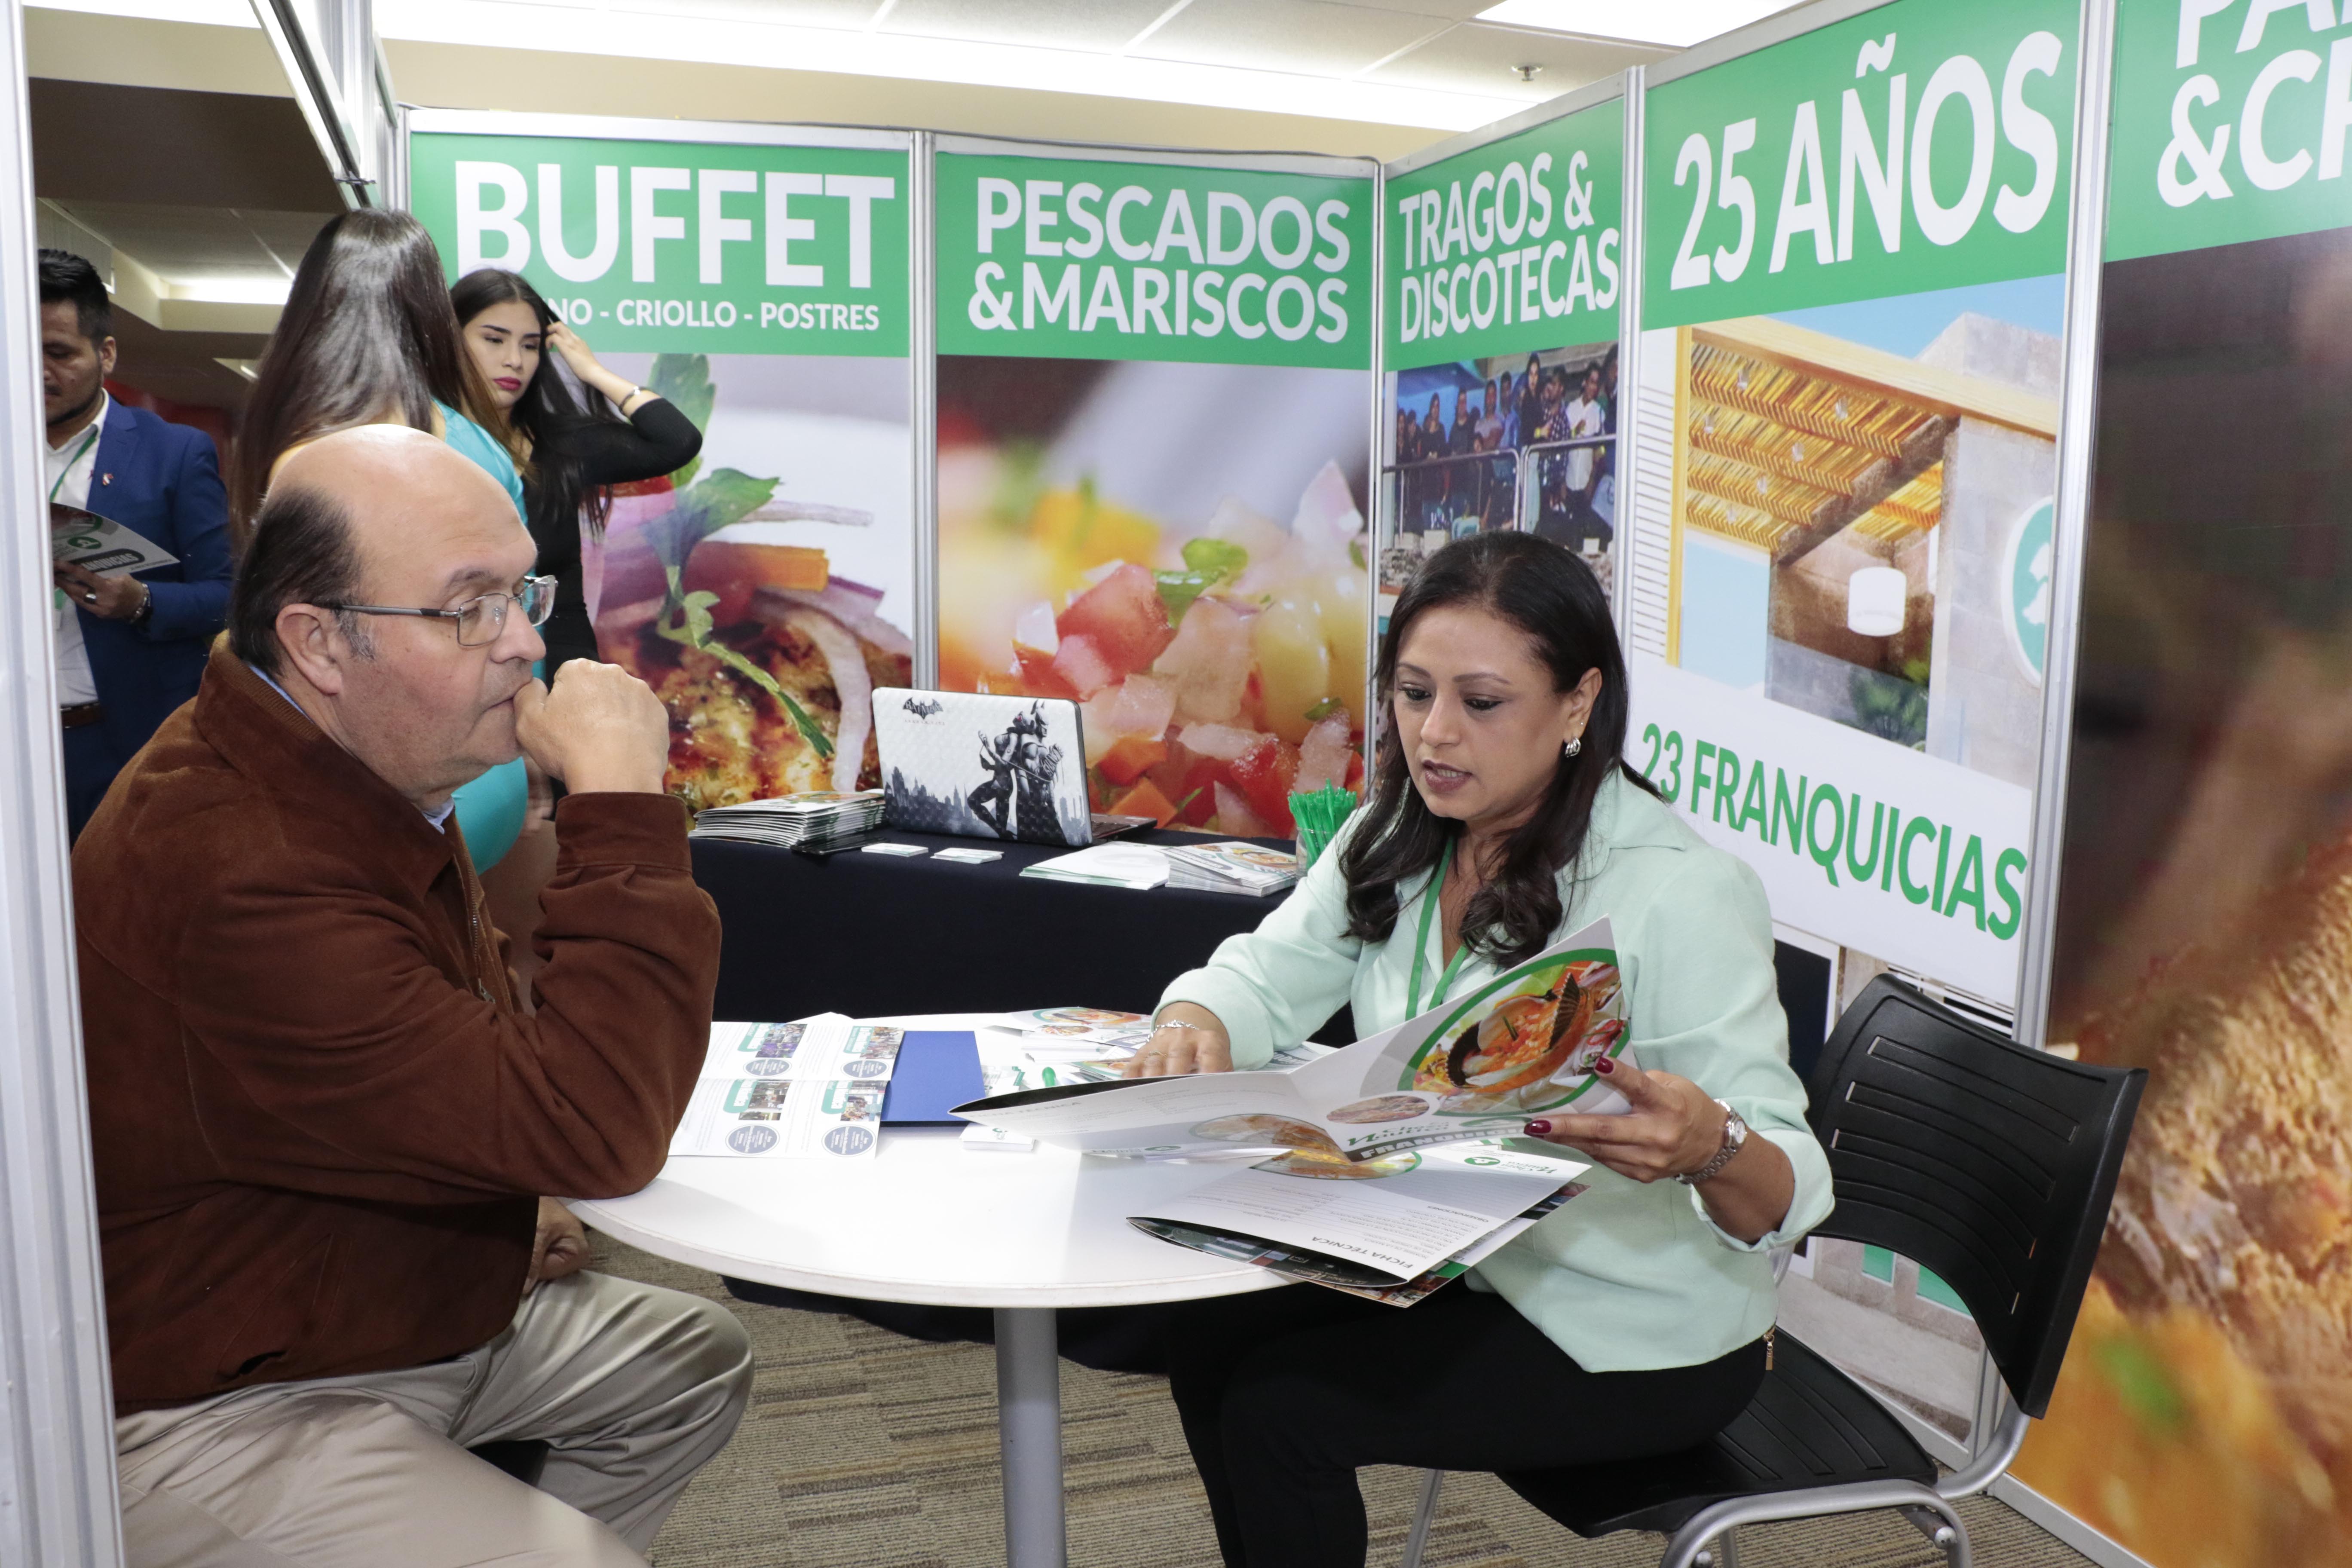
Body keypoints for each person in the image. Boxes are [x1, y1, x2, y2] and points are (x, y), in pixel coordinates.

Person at [78, 426, 751, 1568]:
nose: (527, 645)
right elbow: (597, 1132)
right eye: (468, 608)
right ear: (320, 644)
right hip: (221, 1392)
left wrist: (511, 1171)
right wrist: (623, 801)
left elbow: (450, 1050)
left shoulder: (342, 761)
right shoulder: (240, 868)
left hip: (368, 1302)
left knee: (696, 1363)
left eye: (522, 592)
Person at [1122, 532, 1831, 1568]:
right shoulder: (1397, 834)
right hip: (1462, 1264)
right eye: (1412, 694)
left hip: (1637, 1328)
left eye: (1480, 702)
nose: (1433, 734)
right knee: (1207, 1336)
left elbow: (1786, 1188)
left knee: (1283, 1412)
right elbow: (1267, 972)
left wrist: (1705, 1145)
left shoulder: (1680, 890)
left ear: (1578, 705)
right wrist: (1198, 1018)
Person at [232, 209, 533, 866]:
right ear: (430, 309)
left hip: (384, 765)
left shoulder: (292, 447)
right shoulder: (475, 438)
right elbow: (516, 624)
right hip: (486, 758)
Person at [39, 248, 232, 836]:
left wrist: (141, 603)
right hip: (18, 744)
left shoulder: (172, 453)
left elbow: (228, 594)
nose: (39, 372)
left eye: (59, 354)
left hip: (122, 741)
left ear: (106, 353)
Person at [452, 269, 704, 678]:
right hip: (457, 660)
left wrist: (591, 371)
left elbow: (676, 441)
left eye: (530, 346)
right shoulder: (425, 443)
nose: (514, 360)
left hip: (557, 661)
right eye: (494, 340)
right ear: (451, 340)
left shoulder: (561, 444)